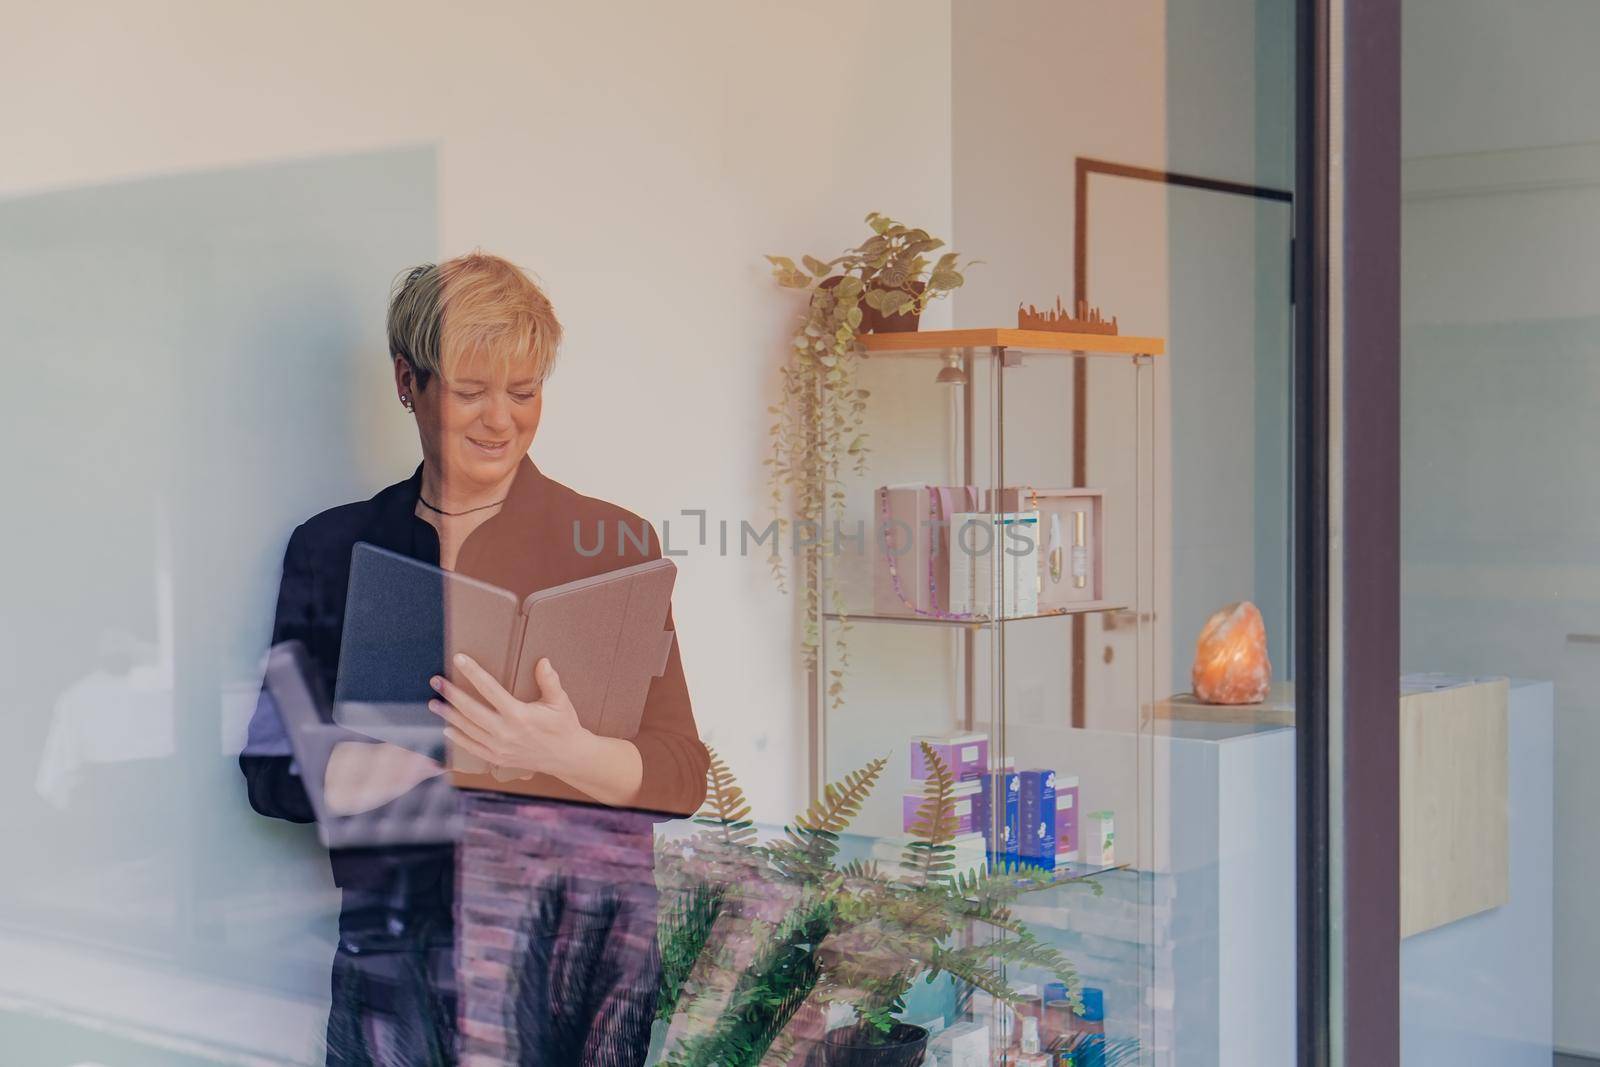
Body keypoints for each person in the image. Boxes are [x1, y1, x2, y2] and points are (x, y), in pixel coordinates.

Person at [239, 252, 708, 1066]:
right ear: (406, 382)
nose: (501, 420)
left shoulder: (612, 542)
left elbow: (679, 773)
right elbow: (268, 766)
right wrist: (354, 767)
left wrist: (566, 754)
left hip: (576, 954)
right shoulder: (335, 545)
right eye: (469, 391)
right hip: (402, 951)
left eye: (524, 393)